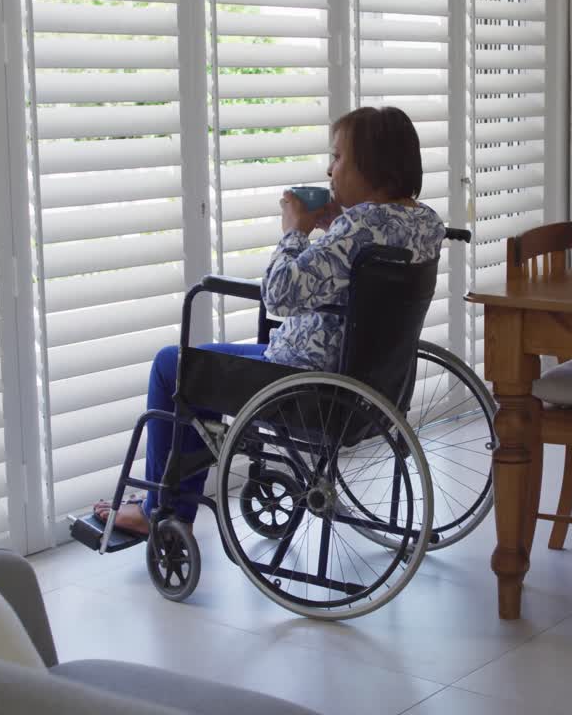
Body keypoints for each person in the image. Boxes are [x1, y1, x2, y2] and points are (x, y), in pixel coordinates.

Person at [94, 106, 447, 534]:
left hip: (306, 386)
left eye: (337, 157)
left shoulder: (357, 228)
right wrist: (333, 232)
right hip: (371, 385)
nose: (329, 170)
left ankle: (160, 511)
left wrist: (294, 230)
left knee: (173, 366)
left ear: (372, 165)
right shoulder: (424, 222)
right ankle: (173, 499)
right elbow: (356, 266)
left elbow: (279, 295)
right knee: (204, 365)